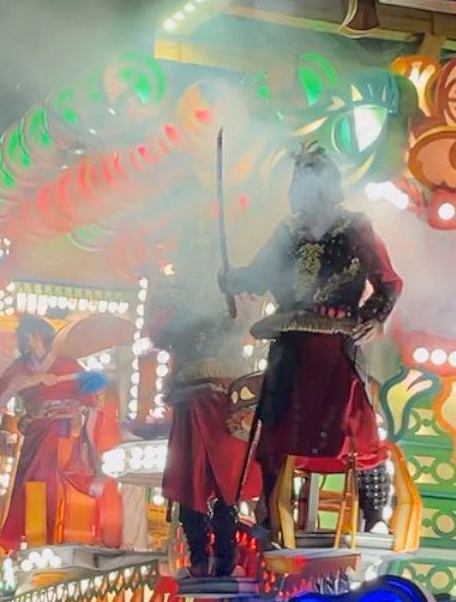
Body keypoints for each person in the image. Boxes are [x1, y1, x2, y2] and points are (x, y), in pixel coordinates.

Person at [222, 140, 402, 542]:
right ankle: (270, 514)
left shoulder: (356, 227)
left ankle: (374, 517)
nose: (299, 190)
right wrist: (235, 279)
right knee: (277, 426)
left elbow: (388, 282)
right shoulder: (287, 232)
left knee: (357, 427)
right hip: (291, 345)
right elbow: (259, 275)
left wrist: (374, 318)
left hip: (337, 343)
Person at [0, 314, 115, 551]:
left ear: (41, 335)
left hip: (63, 432)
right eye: (25, 335)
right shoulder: (21, 367)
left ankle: (56, 528)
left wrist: (77, 405)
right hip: (35, 432)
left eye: (32, 334)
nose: (28, 340)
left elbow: (90, 397)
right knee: (30, 484)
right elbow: (3, 394)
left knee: (50, 477)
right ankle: (32, 535)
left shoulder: (67, 365)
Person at [152, 252, 260, 576]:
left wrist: (236, 301)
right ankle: (199, 557)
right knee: (189, 483)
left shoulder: (231, 294)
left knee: (228, 483)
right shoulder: (178, 303)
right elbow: (162, 336)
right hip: (190, 400)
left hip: (223, 398)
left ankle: (225, 556)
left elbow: (248, 326)